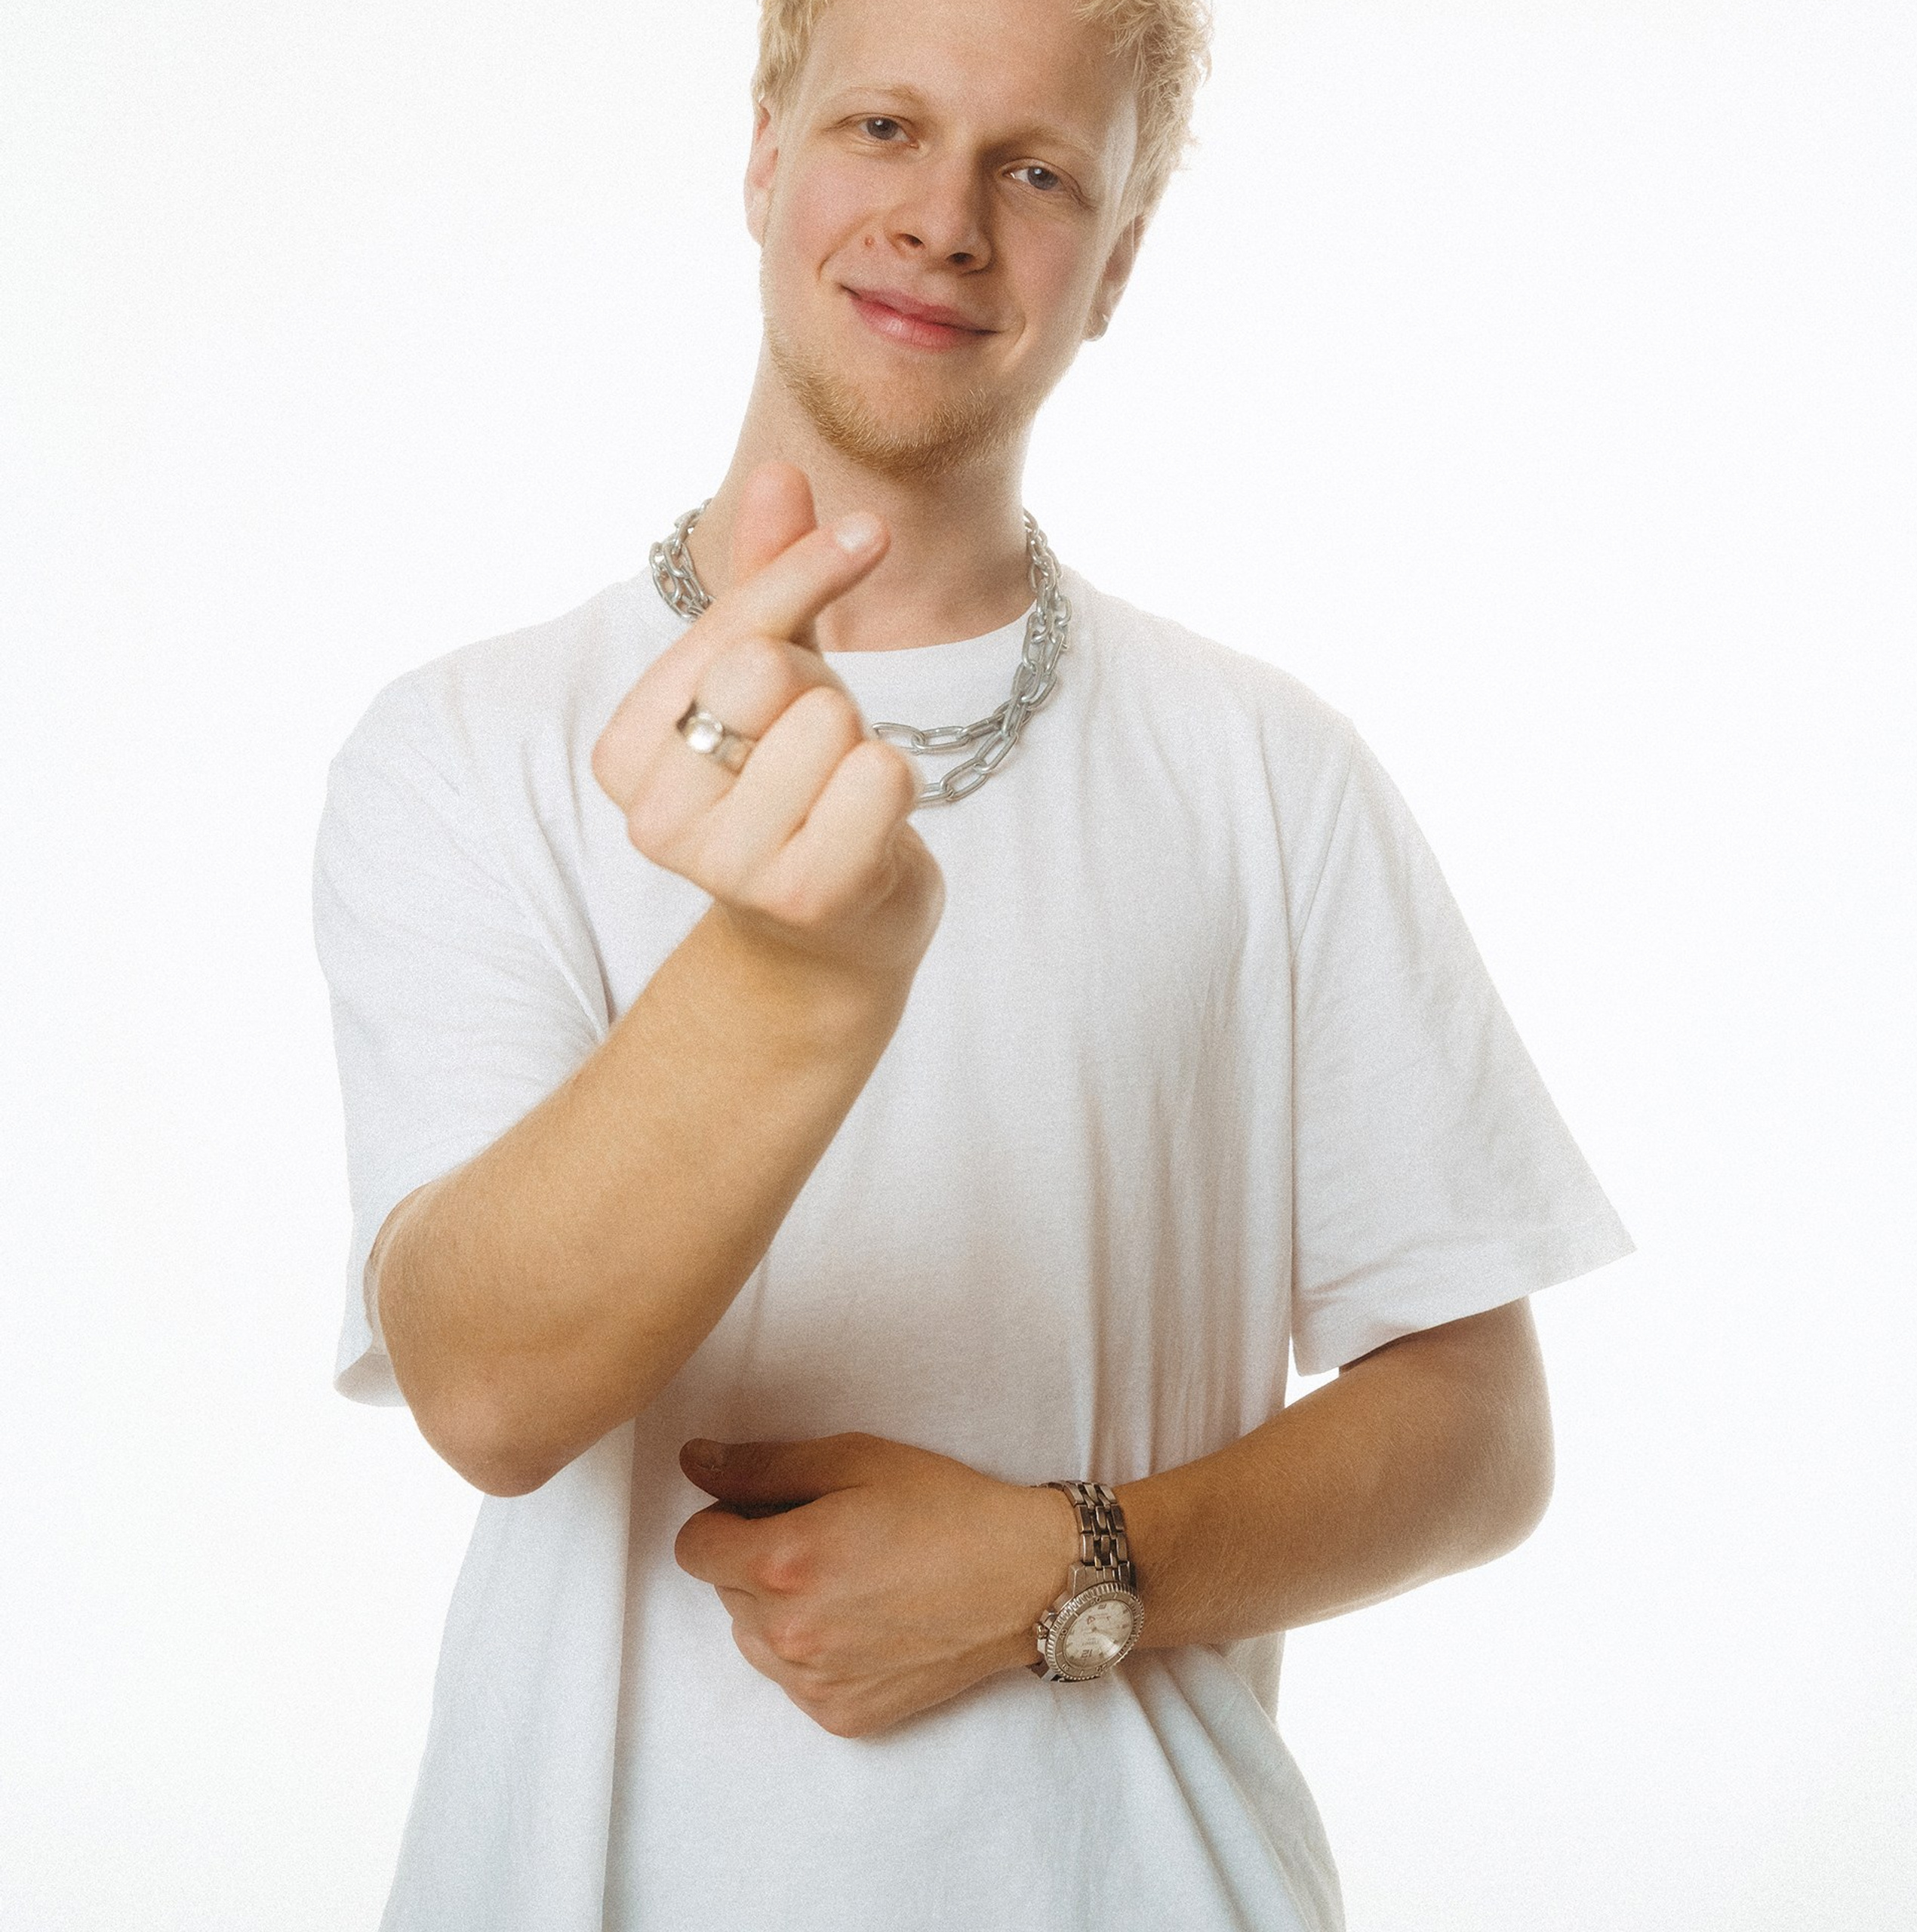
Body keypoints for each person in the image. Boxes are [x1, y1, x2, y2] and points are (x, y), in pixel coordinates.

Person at [312, 1, 1632, 1926]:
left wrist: (1061, 1569)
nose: (942, 220)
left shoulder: (1265, 769)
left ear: (1119, 259)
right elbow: (488, 1386)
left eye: (1035, 171)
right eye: (880, 127)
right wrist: (793, 976)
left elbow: (1480, 1429)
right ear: (762, 152)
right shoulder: (467, 745)